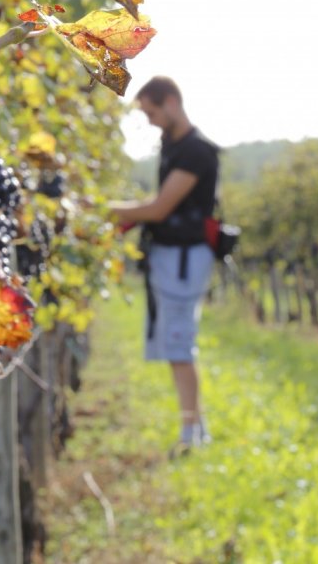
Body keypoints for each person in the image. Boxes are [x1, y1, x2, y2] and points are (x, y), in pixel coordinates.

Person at [110, 76, 219, 454]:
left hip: (184, 258)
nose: (151, 120)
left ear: (171, 102)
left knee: (178, 343)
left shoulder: (196, 152)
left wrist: (107, 211)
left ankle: (192, 433)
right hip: (173, 257)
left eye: (151, 111)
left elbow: (159, 207)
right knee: (176, 340)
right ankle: (195, 426)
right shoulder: (174, 146)